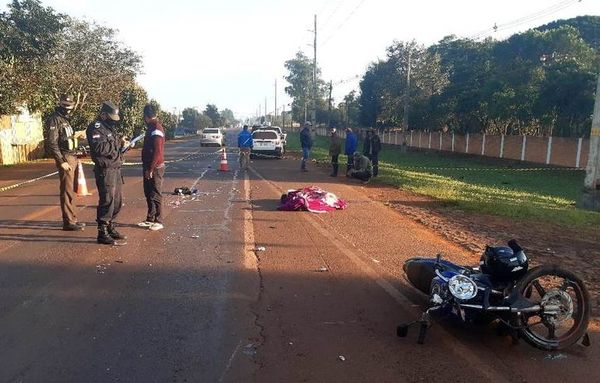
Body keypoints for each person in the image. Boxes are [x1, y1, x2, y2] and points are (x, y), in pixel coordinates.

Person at [86, 101, 129, 245]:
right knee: (107, 200)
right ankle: (102, 231)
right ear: (103, 114)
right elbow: (100, 148)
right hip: (105, 170)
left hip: (116, 168)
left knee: (117, 201)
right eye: (110, 117)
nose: (113, 121)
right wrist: (116, 144)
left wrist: (122, 144)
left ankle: (111, 226)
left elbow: (114, 147)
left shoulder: (109, 128)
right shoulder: (96, 128)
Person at [43, 95, 87, 231]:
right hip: (65, 157)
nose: (68, 108)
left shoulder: (66, 120)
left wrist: (78, 135)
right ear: (60, 104)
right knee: (66, 190)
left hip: (72, 155)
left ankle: (72, 219)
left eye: (70, 105)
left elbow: (67, 137)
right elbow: (52, 142)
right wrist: (61, 161)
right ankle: (68, 222)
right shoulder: (54, 119)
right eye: (65, 105)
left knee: (72, 190)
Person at [138, 104, 165, 231]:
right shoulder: (150, 127)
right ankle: (150, 218)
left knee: (155, 192)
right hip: (149, 166)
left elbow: (157, 151)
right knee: (148, 192)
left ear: (146, 116)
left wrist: (151, 168)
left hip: (155, 167)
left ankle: (158, 220)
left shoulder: (156, 128)